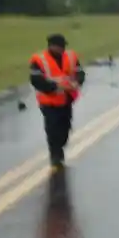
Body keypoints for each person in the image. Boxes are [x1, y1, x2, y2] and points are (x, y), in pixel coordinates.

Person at [29, 34, 85, 167]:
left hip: (67, 99)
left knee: (65, 128)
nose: (63, 49)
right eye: (60, 47)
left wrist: (78, 81)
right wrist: (55, 87)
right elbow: (36, 80)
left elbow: (79, 72)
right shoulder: (38, 60)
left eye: (64, 46)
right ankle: (55, 155)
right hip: (49, 101)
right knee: (53, 128)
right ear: (52, 46)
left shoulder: (70, 56)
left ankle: (60, 146)